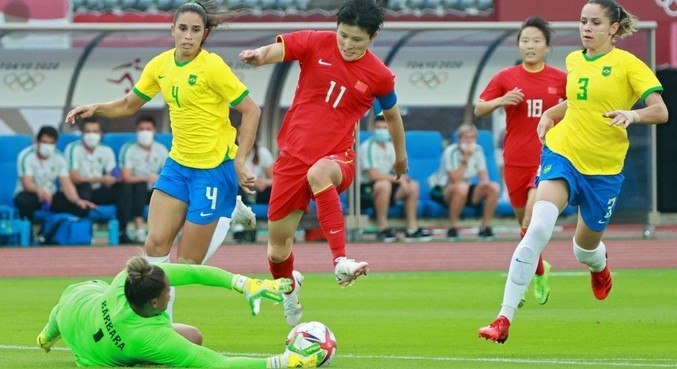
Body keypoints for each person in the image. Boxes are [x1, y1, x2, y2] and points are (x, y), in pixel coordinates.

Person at [478, 0, 668, 344]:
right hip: (563, 153)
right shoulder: (574, 59)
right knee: (537, 227)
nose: (587, 28)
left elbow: (661, 111)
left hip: (604, 170)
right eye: (583, 21)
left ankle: (599, 267)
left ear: (613, 28)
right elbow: (576, 102)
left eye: (595, 22)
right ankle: (503, 317)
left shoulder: (628, 64)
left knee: (584, 250)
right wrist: (551, 115)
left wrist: (633, 115)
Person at [65, 0, 261, 318]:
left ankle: (229, 215)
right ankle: (161, 328)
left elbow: (251, 110)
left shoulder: (212, 67)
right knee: (155, 246)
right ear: (172, 29)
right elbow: (129, 104)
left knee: (186, 266)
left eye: (195, 30)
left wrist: (240, 161)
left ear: (204, 34)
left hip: (213, 171)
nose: (187, 36)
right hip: (177, 166)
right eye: (182, 28)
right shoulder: (160, 65)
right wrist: (96, 107)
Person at [239, 0, 408, 326]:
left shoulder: (380, 76)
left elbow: (393, 117)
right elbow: (280, 49)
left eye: (356, 39)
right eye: (343, 35)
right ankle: (290, 295)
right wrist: (260, 56)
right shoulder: (316, 42)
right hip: (291, 158)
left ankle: (341, 260)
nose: (347, 44)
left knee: (320, 172)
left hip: (337, 158)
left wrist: (400, 158)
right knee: (277, 249)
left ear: (372, 38)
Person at [36, 255, 324, 368]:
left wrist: (244, 283)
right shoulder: (148, 338)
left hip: (76, 306)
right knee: (187, 353)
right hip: (92, 357)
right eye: (167, 292)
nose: (171, 290)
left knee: (193, 336)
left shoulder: (131, 277)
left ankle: (45, 341)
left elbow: (191, 272)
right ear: (153, 304)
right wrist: (282, 363)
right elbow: (217, 364)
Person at [474, 17, 567, 305]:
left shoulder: (560, 78)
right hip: (515, 158)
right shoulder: (506, 77)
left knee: (531, 217)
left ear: (547, 47)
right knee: (525, 228)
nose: (530, 45)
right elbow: (479, 108)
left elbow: (577, 108)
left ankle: (521, 282)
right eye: (525, 40)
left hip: (547, 158)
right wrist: (501, 101)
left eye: (536, 40)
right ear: (518, 45)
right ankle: (540, 269)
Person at [359, 115, 431, 242]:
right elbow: (373, 175)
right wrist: (397, 179)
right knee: (383, 184)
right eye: (378, 128)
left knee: (413, 186)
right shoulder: (367, 147)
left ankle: (412, 229)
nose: (381, 130)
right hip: (366, 190)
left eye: (384, 128)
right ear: (373, 129)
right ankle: (383, 229)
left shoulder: (391, 146)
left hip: (388, 186)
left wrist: (404, 178)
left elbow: (398, 170)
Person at [65, 118, 134, 244]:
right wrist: (100, 179)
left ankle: (122, 231)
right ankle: (82, 233)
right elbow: (73, 177)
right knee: (85, 186)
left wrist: (112, 179)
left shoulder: (106, 150)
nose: (91, 135)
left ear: (100, 134)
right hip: (81, 191)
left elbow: (112, 172)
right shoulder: (73, 149)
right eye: (88, 131)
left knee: (124, 188)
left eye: (94, 131)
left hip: (99, 191)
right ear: (82, 133)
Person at [428, 124, 500, 241]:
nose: (469, 141)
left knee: (493, 187)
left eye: (472, 138)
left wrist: (485, 186)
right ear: (459, 139)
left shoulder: (478, 150)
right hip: (442, 189)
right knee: (461, 187)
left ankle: (485, 228)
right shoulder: (450, 151)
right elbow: (455, 179)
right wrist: (466, 159)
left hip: (465, 188)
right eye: (466, 138)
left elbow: (483, 176)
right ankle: (452, 228)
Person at [13, 126, 96, 225]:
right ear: (37, 142)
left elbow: (66, 184)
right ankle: (28, 236)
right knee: (24, 202)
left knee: (80, 207)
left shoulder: (59, 158)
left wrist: (77, 200)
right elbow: (27, 183)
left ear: (55, 143)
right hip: (31, 194)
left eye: (51, 143)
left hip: (51, 196)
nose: (47, 146)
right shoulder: (26, 156)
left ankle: (58, 233)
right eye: (44, 142)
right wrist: (41, 192)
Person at [119, 115, 169, 243]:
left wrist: (157, 179)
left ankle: (167, 232)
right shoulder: (128, 148)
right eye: (141, 129)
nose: (144, 132)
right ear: (136, 131)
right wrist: (145, 177)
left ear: (154, 131)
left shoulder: (161, 149)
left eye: (148, 129)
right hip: (135, 190)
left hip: (155, 188)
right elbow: (126, 176)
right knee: (139, 187)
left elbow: (170, 175)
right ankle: (139, 230)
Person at [233, 139, 275, 243]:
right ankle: (239, 228)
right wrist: (251, 182)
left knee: (275, 190)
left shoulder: (262, 153)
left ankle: (283, 230)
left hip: (260, 192)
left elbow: (275, 179)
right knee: (235, 189)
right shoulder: (232, 153)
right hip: (241, 192)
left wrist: (264, 183)